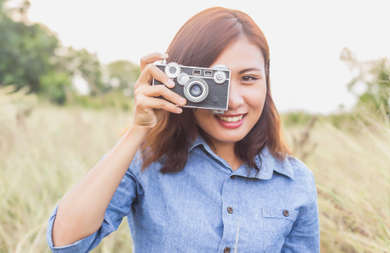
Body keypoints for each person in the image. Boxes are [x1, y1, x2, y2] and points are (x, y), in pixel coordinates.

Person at [47, 6, 320, 253]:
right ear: (180, 81)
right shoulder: (148, 162)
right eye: (214, 83)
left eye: (248, 78)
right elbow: (65, 243)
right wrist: (137, 131)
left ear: (266, 82)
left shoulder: (295, 181)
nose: (233, 101)